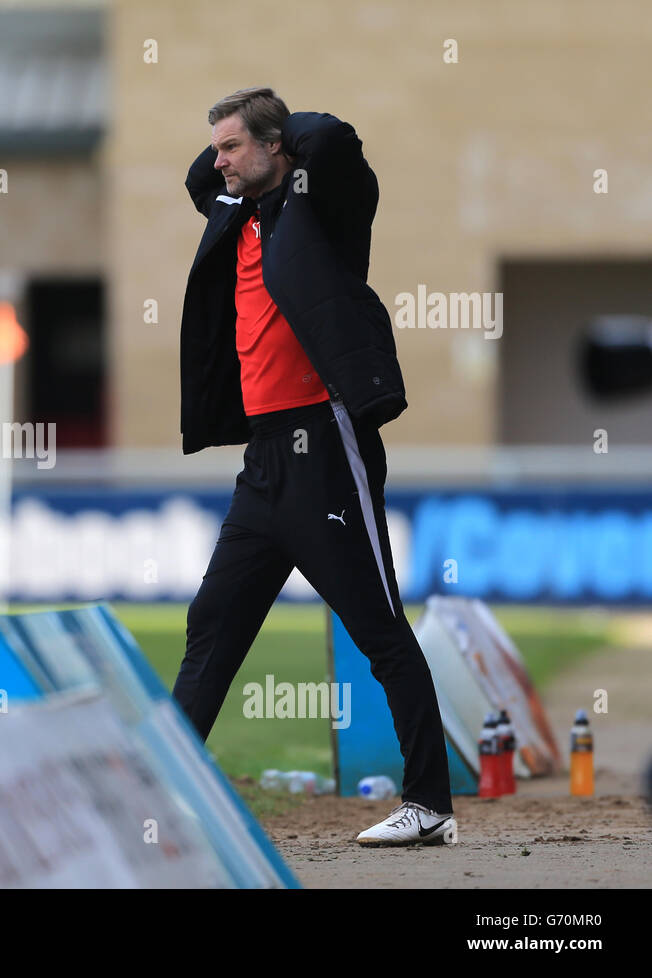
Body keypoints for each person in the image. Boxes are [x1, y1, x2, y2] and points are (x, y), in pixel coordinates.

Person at [171, 87, 456, 846]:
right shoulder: (233, 211)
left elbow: (331, 137)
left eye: (235, 145)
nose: (220, 161)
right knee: (212, 625)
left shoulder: (320, 204)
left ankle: (430, 804)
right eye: (221, 147)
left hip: (325, 446)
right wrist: (243, 146)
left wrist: (275, 130)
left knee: (378, 628)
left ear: (275, 147)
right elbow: (200, 176)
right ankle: (165, 791)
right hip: (263, 462)